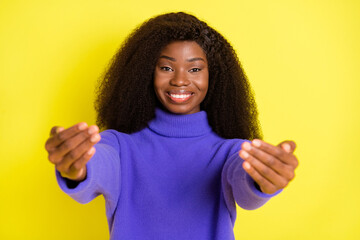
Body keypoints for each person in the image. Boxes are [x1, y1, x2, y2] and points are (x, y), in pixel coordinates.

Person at [45, 12, 298, 240]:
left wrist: (265, 179)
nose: (179, 80)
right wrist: (76, 163)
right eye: (166, 67)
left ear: (214, 75)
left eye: (194, 69)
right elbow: (98, 163)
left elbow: (246, 186)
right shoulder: (120, 146)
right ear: (145, 72)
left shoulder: (231, 152)